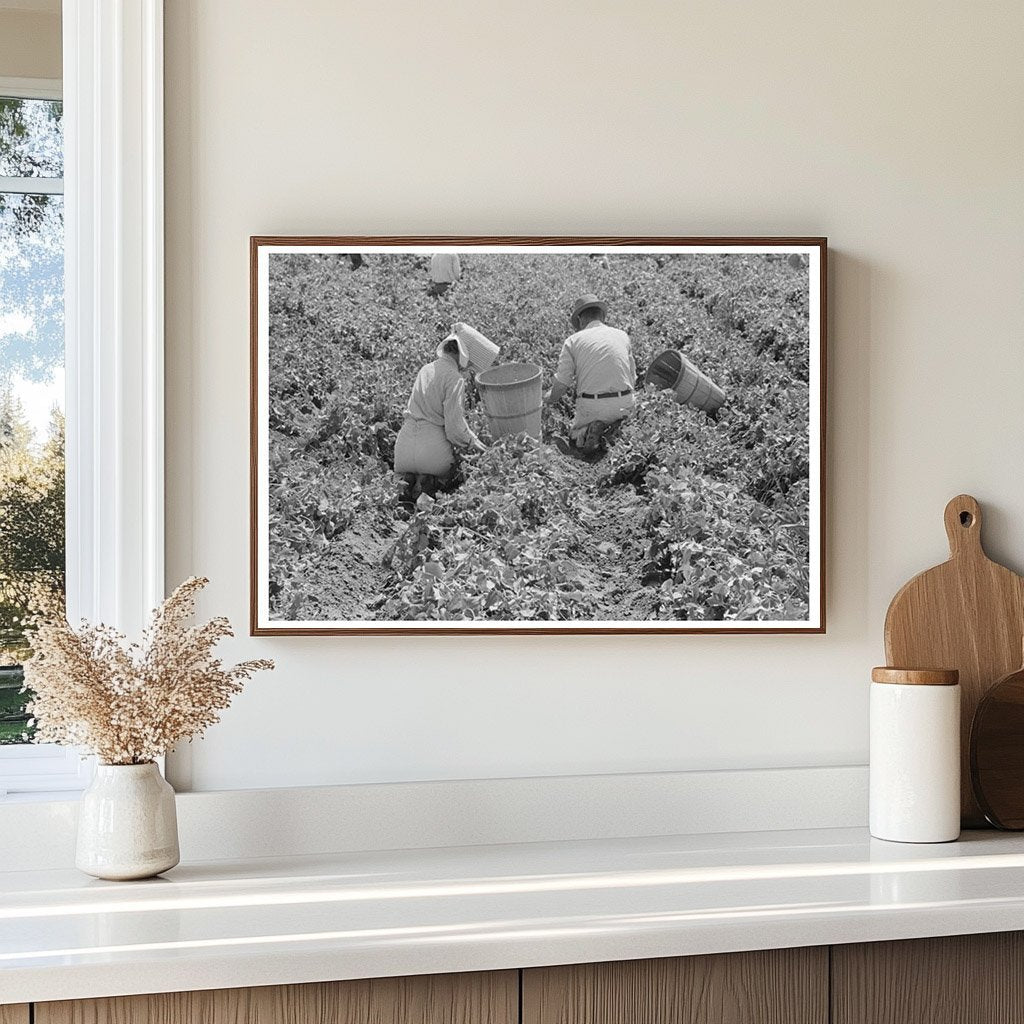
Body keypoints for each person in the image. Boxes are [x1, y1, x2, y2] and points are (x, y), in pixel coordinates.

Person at [394, 328, 485, 498]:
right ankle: (428, 483)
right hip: (432, 453)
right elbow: (454, 427)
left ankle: (409, 480)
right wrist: (475, 443)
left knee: (408, 470)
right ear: (462, 355)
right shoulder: (454, 377)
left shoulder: (425, 369)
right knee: (459, 472)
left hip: (403, 448)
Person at [544, 294, 637, 454]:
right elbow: (633, 376)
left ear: (581, 320)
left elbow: (562, 384)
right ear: (602, 315)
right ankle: (612, 431)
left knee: (574, 437)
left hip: (592, 406)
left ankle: (585, 432)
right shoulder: (622, 335)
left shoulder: (573, 341)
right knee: (623, 429)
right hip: (624, 403)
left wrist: (547, 398)